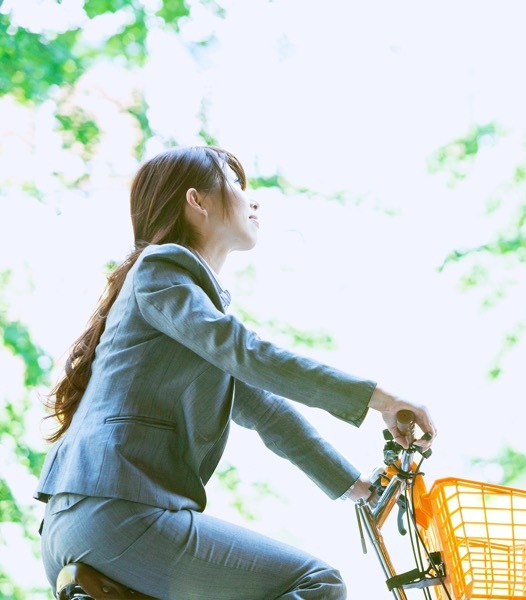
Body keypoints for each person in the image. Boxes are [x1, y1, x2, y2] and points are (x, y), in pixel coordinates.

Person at [35, 145, 436, 599]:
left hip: (91, 521)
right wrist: (380, 400)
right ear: (197, 202)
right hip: (115, 511)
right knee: (317, 583)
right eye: (235, 184)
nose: (253, 200)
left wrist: (357, 488)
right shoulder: (160, 269)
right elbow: (247, 353)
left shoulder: (187, 310)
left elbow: (265, 411)